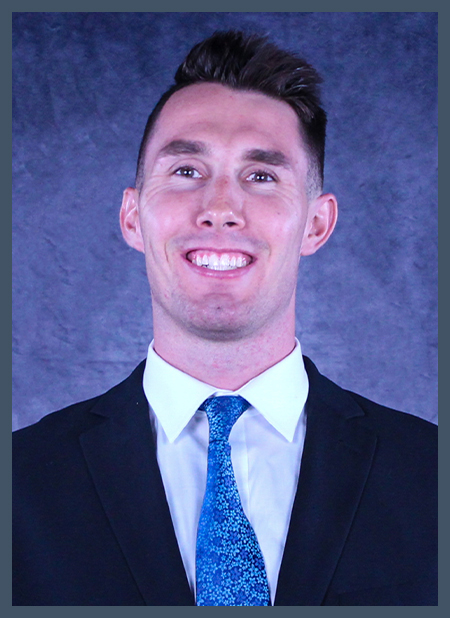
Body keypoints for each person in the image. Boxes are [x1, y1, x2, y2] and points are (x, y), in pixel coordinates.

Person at [12, 30, 437, 606]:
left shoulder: (431, 475)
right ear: (133, 216)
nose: (219, 209)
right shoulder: (20, 483)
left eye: (261, 176)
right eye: (187, 170)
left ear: (316, 224)